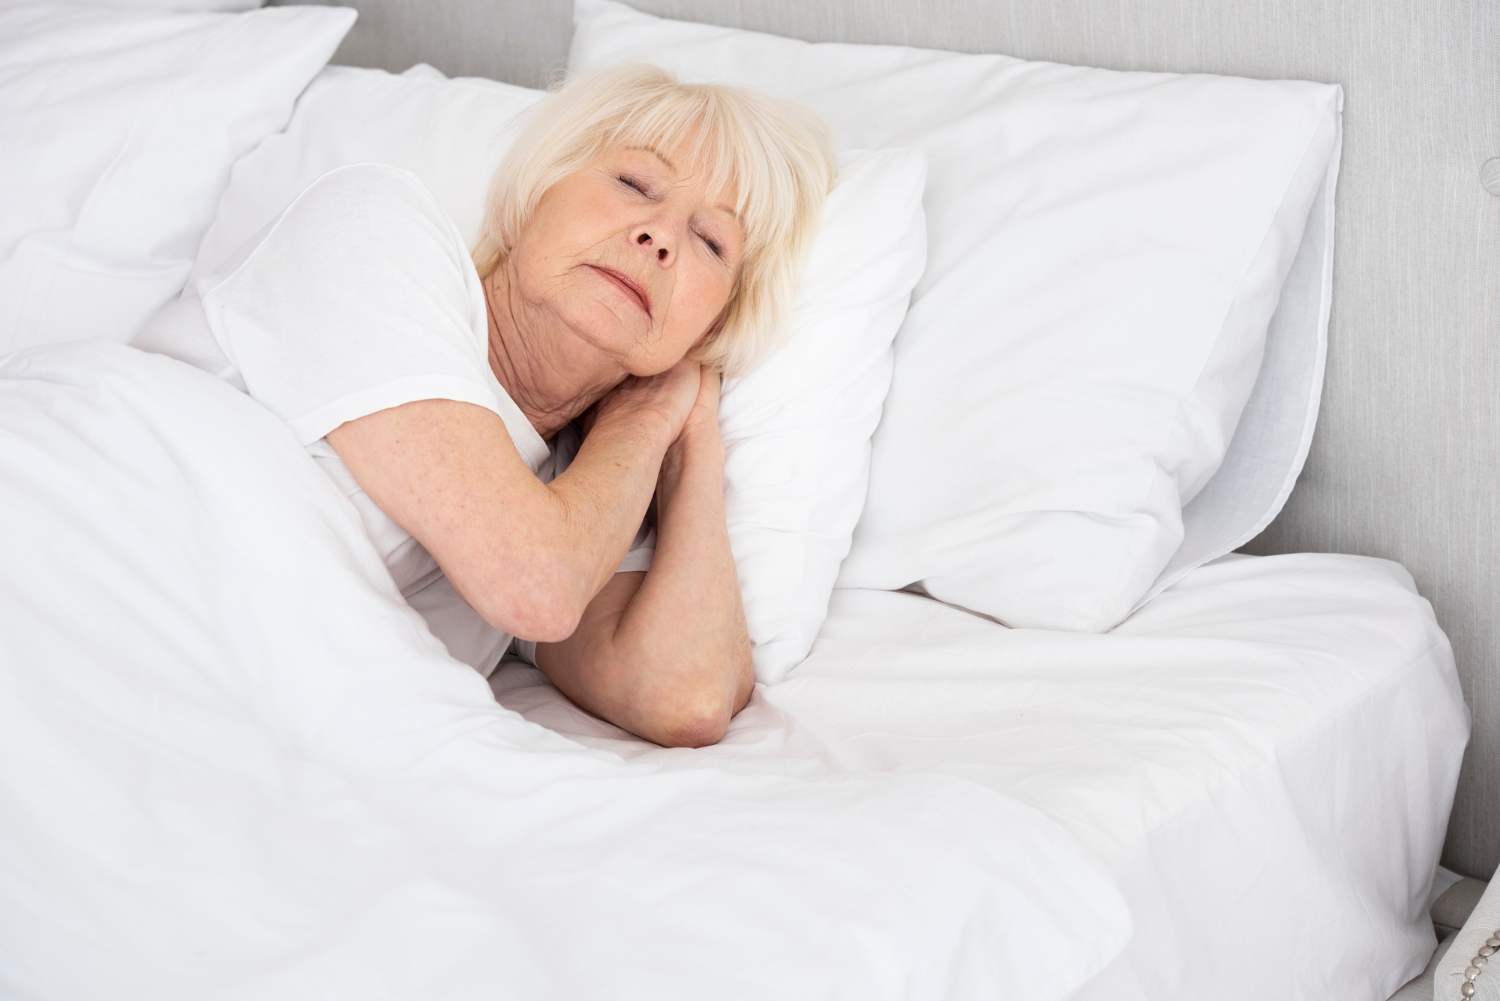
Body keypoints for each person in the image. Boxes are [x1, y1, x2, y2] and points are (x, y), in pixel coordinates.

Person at [135, 64, 835, 748]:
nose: (661, 236)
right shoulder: (379, 231)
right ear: (531, 199)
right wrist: (645, 418)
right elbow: (534, 584)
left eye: (711, 241)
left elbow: (687, 697)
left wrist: (686, 445)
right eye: (633, 183)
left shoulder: (588, 488)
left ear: (711, 329)